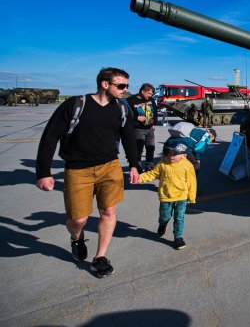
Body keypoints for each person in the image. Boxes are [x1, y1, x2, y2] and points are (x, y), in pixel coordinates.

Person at [36, 67, 140, 278]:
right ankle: (77, 238)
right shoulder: (76, 105)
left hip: (110, 167)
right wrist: (43, 172)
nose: (125, 90)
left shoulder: (122, 109)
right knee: (79, 219)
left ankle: (100, 257)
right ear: (105, 84)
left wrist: (134, 165)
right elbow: (50, 137)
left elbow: (129, 137)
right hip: (78, 170)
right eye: (121, 86)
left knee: (109, 212)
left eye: (127, 86)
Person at [133, 141, 197, 250]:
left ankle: (178, 237)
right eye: (169, 152)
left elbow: (192, 181)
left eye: (175, 154)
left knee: (179, 218)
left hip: (181, 197)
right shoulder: (163, 164)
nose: (171, 156)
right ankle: (162, 224)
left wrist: (191, 196)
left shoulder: (188, 166)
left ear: (184, 155)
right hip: (166, 197)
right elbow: (152, 174)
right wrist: (140, 178)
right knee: (164, 216)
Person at [126, 83, 158, 171]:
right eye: (149, 93)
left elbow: (155, 111)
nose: (150, 95)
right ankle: (137, 166)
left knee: (151, 148)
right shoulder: (130, 100)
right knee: (138, 149)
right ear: (143, 91)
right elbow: (126, 115)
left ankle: (149, 165)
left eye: (151, 94)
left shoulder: (151, 100)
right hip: (138, 129)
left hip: (150, 129)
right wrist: (136, 117)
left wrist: (154, 123)